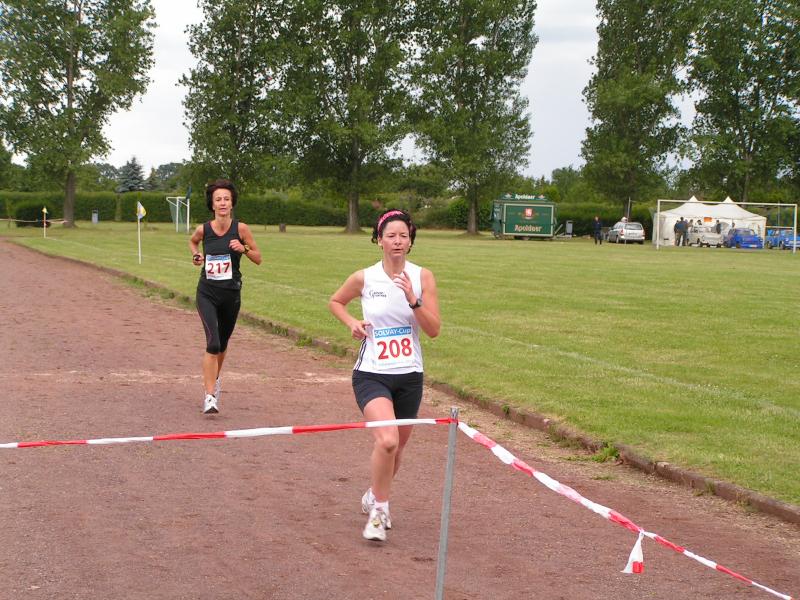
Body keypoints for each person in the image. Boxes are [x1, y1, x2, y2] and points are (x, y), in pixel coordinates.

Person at [328, 209, 441, 542]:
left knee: (397, 448)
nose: (397, 241)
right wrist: (352, 323)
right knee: (387, 440)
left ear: (411, 241)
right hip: (372, 373)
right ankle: (380, 511)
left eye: (403, 235)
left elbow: (434, 330)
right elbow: (336, 301)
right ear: (379, 240)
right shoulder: (365, 277)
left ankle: (373, 494)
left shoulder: (423, 277)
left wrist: (414, 301)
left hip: (409, 375)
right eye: (391, 235)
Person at [189, 179, 262, 414]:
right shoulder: (204, 229)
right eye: (218, 199)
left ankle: (215, 378)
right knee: (213, 343)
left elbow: (259, 258)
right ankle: (210, 396)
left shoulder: (241, 229)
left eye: (226, 199)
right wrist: (196, 255)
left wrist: (244, 249)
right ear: (212, 204)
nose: (222, 203)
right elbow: (193, 242)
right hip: (207, 293)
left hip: (231, 294)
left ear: (232, 204)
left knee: (222, 344)